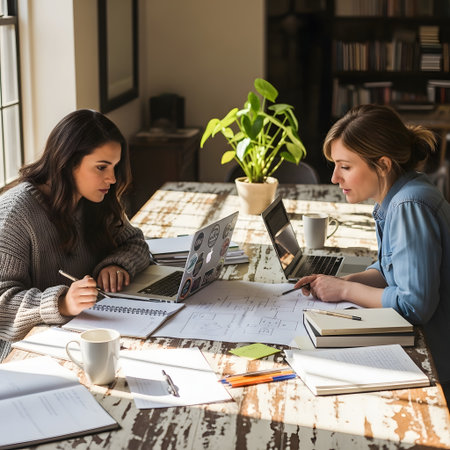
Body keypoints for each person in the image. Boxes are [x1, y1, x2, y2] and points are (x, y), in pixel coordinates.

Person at [294, 104, 450, 402]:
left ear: (383, 164)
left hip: (438, 364)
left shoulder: (409, 206)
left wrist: (345, 289)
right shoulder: (400, 196)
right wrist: (349, 281)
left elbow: (414, 304)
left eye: (346, 166)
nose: (335, 178)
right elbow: (389, 268)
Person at [0, 109, 151, 360]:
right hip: (27, 354)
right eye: (101, 167)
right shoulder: (15, 213)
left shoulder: (95, 200)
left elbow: (135, 242)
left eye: (114, 167)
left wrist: (116, 264)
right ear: (68, 162)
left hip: (89, 333)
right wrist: (61, 304)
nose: (112, 178)